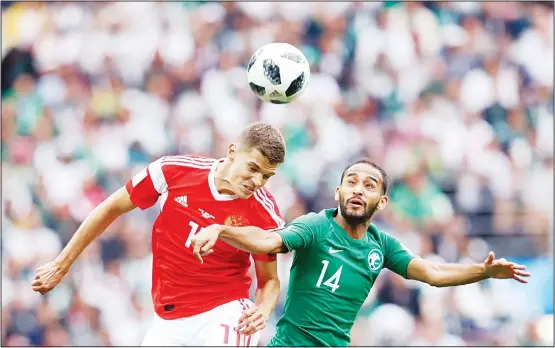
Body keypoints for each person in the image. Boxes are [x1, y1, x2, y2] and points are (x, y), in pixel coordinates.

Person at [191, 158, 532, 347]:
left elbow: (433, 273)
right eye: (351, 181)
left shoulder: (382, 246)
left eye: (369, 186)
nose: (358, 189)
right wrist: (222, 229)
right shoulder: (315, 226)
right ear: (339, 191)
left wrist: (483, 272)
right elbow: (267, 241)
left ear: (382, 202)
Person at [32, 122, 287, 346]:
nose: (257, 181)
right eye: (253, 168)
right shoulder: (172, 171)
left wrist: (263, 311)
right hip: (168, 318)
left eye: (266, 175)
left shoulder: (263, 212)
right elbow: (110, 209)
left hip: (226, 312)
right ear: (232, 151)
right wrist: (61, 264)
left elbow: (269, 280)